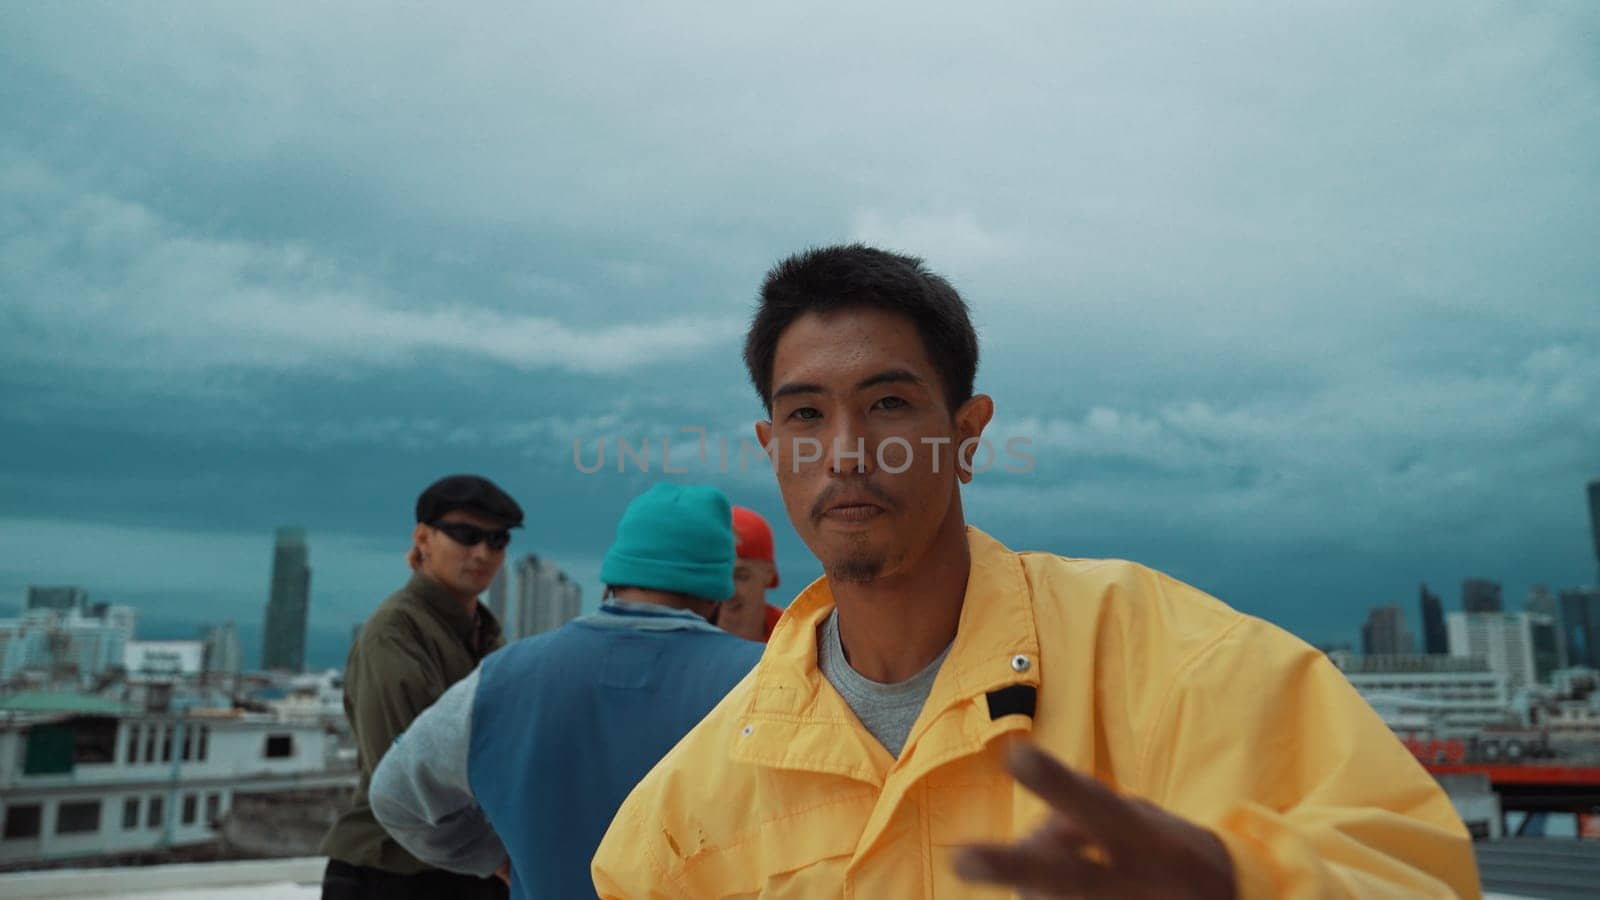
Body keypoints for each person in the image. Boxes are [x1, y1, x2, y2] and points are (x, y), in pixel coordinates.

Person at [592, 245, 1481, 898]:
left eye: (889, 404)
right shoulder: (689, 811)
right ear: (771, 449)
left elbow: (1415, 869)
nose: (846, 452)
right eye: (805, 417)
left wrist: (1237, 881)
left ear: (967, 434)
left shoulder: (1169, 662)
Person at [368, 483, 764, 900]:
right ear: (717, 590)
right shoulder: (764, 680)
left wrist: (495, 857)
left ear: (615, 575)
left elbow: (394, 797)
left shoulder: (500, 679)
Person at [319, 474, 520, 900]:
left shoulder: (486, 636)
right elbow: (410, 777)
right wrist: (498, 858)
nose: (483, 552)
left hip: (468, 869)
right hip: (393, 873)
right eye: (466, 535)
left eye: (498, 540)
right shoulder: (396, 633)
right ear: (423, 539)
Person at [716, 505, 786, 642]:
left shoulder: (799, 639)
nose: (728, 591)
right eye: (718, 576)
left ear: (768, 574)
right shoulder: (682, 640)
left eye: (741, 576)